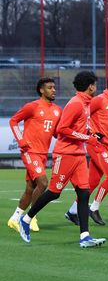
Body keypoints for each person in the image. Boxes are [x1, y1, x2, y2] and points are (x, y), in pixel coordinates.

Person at [19, 71, 106, 248]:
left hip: (79, 155)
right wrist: (86, 138)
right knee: (54, 192)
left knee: (83, 193)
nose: (96, 88)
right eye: (95, 85)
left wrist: (91, 134)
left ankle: (85, 237)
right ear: (90, 86)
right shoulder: (75, 104)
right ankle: (26, 219)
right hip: (65, 154)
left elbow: (79, 128)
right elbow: (63, 129)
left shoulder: (86, 103)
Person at [64, 72, 108, 226]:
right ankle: (94, 208)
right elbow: (84, 117)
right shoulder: (98, 100)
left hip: (107, 145)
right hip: (96, 145)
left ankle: (72, 211)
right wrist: (93, 133)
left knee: (92, 182)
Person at [7, 77, 61, 233]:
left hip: (43, 154)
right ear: (41, 90)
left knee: (30, 189)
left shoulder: (58, 110)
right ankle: (30, 218)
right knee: (43, 183)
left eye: (54, 87)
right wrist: (21, 140)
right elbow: (13, 121)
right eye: (50, 88)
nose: (53, 90)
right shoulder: (32, 106)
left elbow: (57, 132)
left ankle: (14, 218)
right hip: (30, 152)